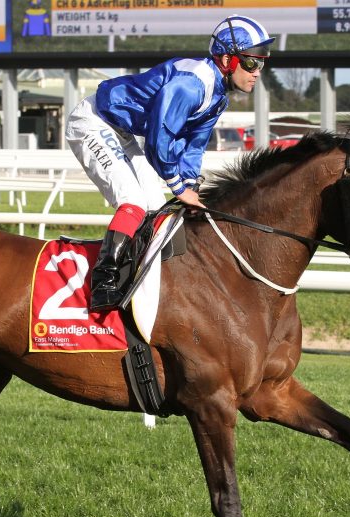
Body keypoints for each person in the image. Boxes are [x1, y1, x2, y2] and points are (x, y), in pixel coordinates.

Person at [66, 15, 275, 312]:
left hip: (122, 130)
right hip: (93, 121)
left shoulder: (218, 97)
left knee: (155, 208)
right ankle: (103, 283)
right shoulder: (191, 86)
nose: (257, 72)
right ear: (228, 59)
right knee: (133, 202)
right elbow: (159, 138)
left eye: (262, 63)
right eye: (252, 62)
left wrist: (190, 185)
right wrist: (178, 188)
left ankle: (135, 277)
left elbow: (193, 146)